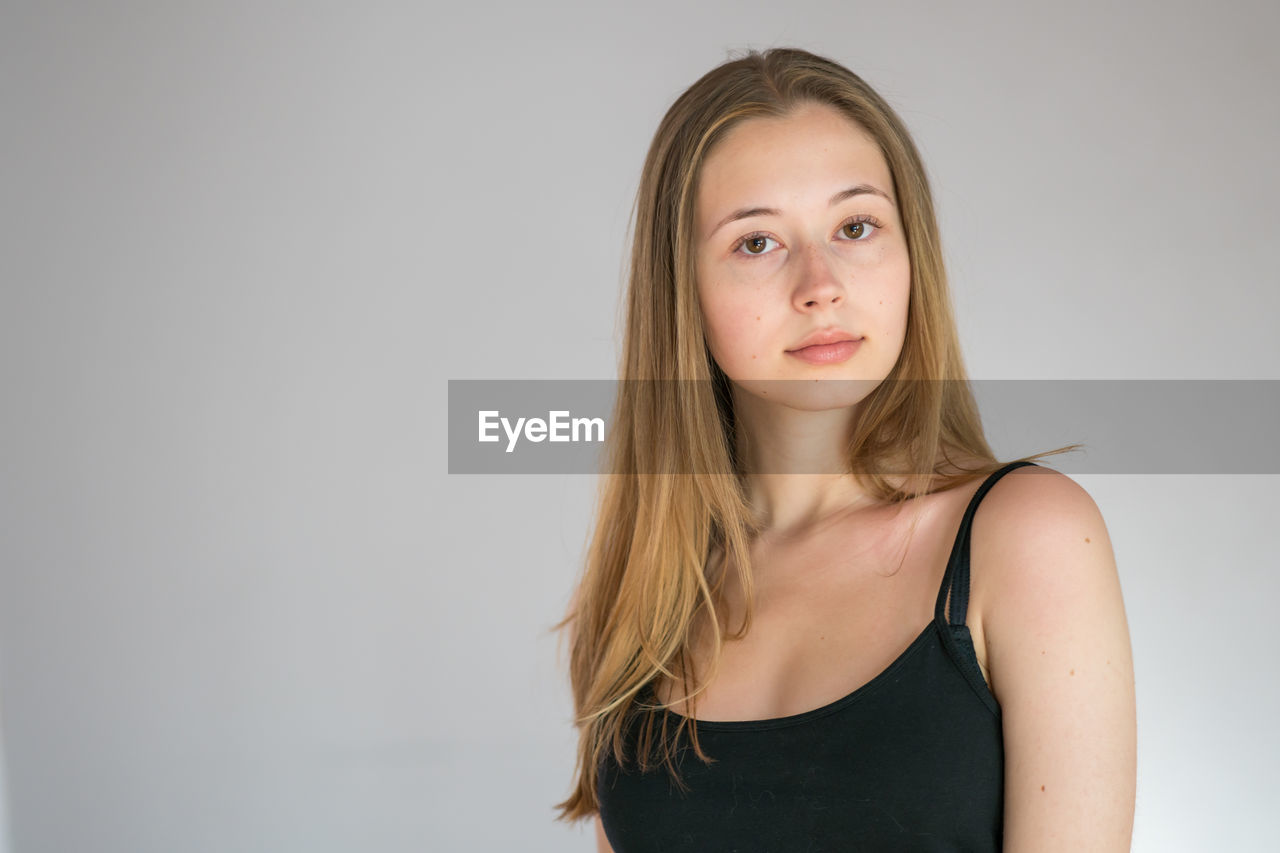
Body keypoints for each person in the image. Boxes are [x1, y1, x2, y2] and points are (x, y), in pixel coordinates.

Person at [553, 47, 1136, 851]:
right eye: (757, 242)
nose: (819, 283)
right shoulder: (646, 598)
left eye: (855, 226)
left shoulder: (1026, 536)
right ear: (682, 290)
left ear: (909, 256)